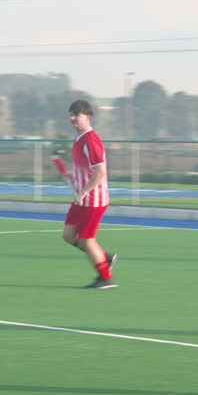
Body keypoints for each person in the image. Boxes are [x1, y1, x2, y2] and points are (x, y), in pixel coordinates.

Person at [62, 99, 117, 289]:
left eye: (76, 115)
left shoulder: (91, 141)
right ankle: (102, 257)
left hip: (93, 200)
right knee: (68, 235)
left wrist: (84, 191)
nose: (72, 118)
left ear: (87, 116)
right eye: (71, 115)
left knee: (86, 240)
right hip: (82, 198)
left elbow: (100, 172)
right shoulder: (78, 138)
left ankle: (106, 278)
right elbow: (84, 167)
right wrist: (72, 175)